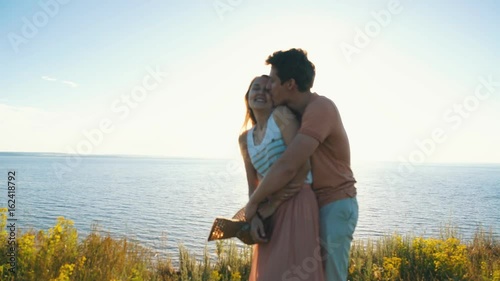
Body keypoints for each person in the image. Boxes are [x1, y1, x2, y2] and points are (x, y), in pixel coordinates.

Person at [244, 49, 359, 281]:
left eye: (273, 81)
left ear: (290, 84)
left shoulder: (320, 109)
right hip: (316, 202)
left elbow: (290, 165)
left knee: (330, 277)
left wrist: (254, 203)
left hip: (335, 202)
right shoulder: (294, 113)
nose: (268, 87)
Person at [239, 75, 324, 281]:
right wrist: (256, 217)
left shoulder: (281, 116)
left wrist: (274, 203)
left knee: (295, 272)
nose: (261, 93)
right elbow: (253, 185)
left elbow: (301, 166)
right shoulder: (244, 139)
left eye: (268, 90)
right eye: (256, 88)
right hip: (268, 213)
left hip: (297, 203)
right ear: (248, 96)